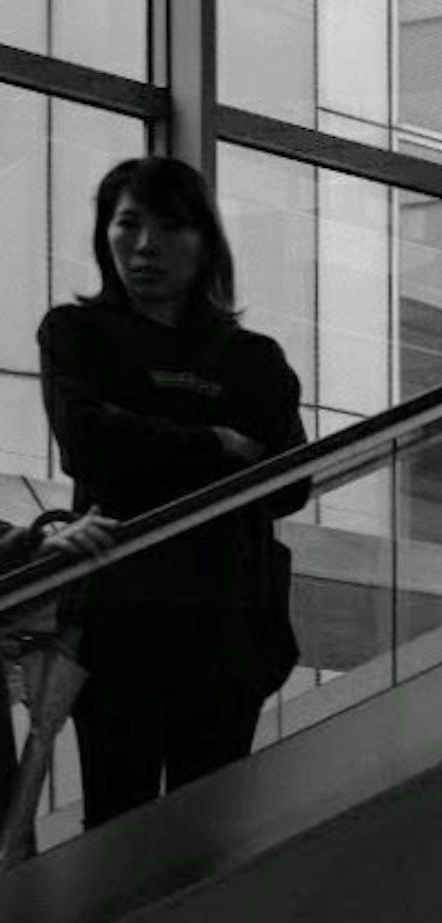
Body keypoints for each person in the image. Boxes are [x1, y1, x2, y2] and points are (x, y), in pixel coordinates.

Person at [36, 157, 304, 826]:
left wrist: (139, 438)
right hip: (116, 625)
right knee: (116, 829)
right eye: (127, 225)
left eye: (168, 228)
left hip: (228, 625)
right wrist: (214, 443)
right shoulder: (77, 334)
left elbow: (289, 483)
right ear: (105, 235)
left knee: (209, 837)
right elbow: (86, 442)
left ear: (205, 241)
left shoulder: (253, 358)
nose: (145, 246)